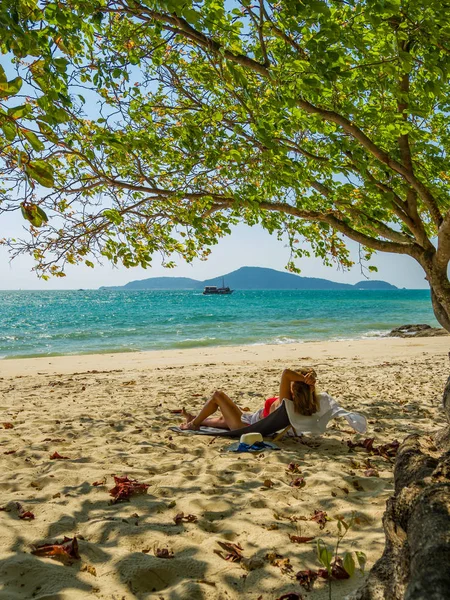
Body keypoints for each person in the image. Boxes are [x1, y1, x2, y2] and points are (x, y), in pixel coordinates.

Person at [180, 368, 319, 431]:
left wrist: (304, 379)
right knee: (223, 418)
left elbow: (286, 373)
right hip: (253, 420)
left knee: (218, 395)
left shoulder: (286, 399)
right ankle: (195, 418)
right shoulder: (307, 400)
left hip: (247, 427)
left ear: (294, 387)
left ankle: (193, 424)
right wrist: (310, 378)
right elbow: (297, 380)